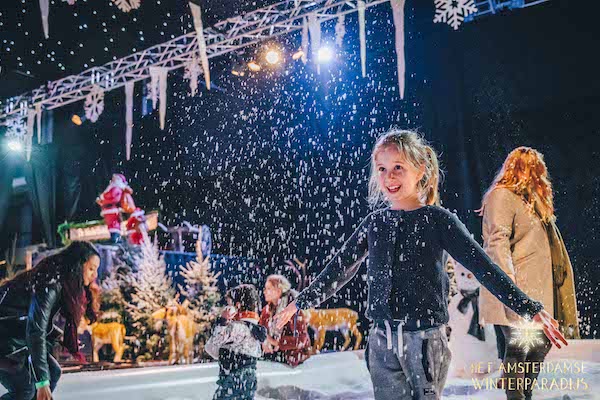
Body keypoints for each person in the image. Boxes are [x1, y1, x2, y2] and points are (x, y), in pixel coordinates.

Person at [274, 129, 567, 400]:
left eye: (398, 167)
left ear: (420, 170)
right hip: (381, 340)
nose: (389, 176)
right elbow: (339, 268)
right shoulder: (374, 224)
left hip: (424, 342)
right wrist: (301, 301)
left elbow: (484, 266)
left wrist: (530, 308)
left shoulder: (438, 221)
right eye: (383, 169)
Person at [478, 147, 579, 400]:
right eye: (531, 167)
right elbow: (496, 244)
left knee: (539, 346)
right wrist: (511, 294)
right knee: (517, 348)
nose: (537, 173)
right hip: (516, 292)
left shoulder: (532, 204)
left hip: (537, 295)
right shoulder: (502, 195)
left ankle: (526, 395)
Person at [0, 241, 101, 400]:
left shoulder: (60, 280)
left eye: (96, 270)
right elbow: (35, 329)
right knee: (25, 388)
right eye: (91, 269)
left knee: (52, 372)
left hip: (12, 336)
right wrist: (42, 383)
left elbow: (34, 321)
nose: (95, 275)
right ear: (76, 266)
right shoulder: (50, 283)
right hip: (5, 339)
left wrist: (58, 335)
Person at [206, 284, 267, 400]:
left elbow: (212, 345)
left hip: (233, 378)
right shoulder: (254, 327)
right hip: (248, 378)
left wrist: (222, 321)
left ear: (237, 306)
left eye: (229, 305)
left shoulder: (236, 327)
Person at [259, 275, 311, 367]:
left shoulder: (292, 311)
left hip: (291, 356)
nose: (265, 292)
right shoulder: (267, 310)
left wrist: (276, 342)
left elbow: (302, 340)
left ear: (278, 291)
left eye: (269, 288)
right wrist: (265, 342)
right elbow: (260, 330)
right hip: (275, 354)